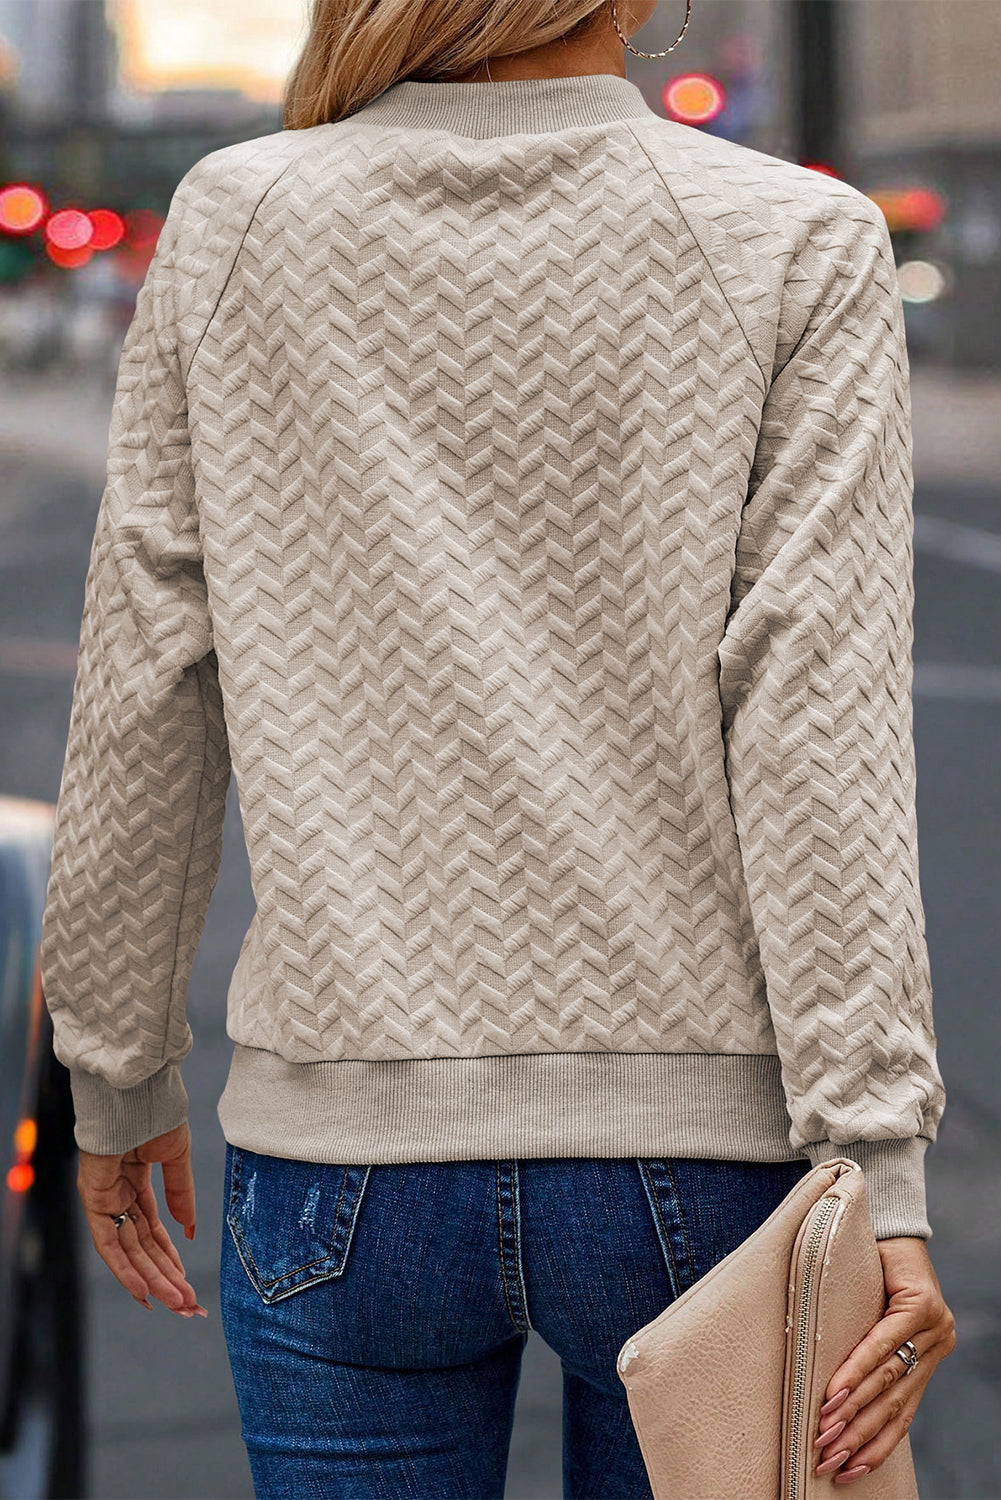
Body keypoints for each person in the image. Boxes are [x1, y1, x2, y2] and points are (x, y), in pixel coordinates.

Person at [38, 0, 956, 1494]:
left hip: (343, 1157)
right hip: (706, 1162)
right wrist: (876, 1160)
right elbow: (815, 717)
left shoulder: (240, 218)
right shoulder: (796, 239)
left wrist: (116, 1068)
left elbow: (148, 675)